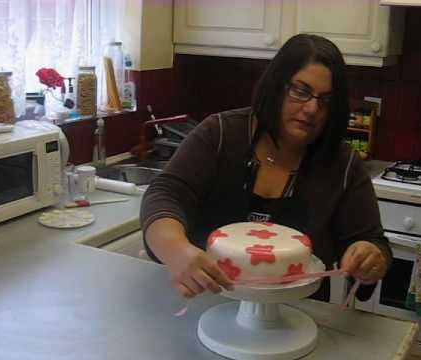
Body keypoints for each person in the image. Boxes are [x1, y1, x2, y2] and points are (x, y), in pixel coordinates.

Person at [140, 33, 392, 301]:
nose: (312, 109)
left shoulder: (343, 165)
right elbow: (165, 194)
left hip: (300, 315)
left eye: (326, 100)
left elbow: (374, 242)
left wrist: (370, 256)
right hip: (205, 302)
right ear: (276, 85)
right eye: (301, 90)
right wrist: (177, 251)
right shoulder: (221, 134)